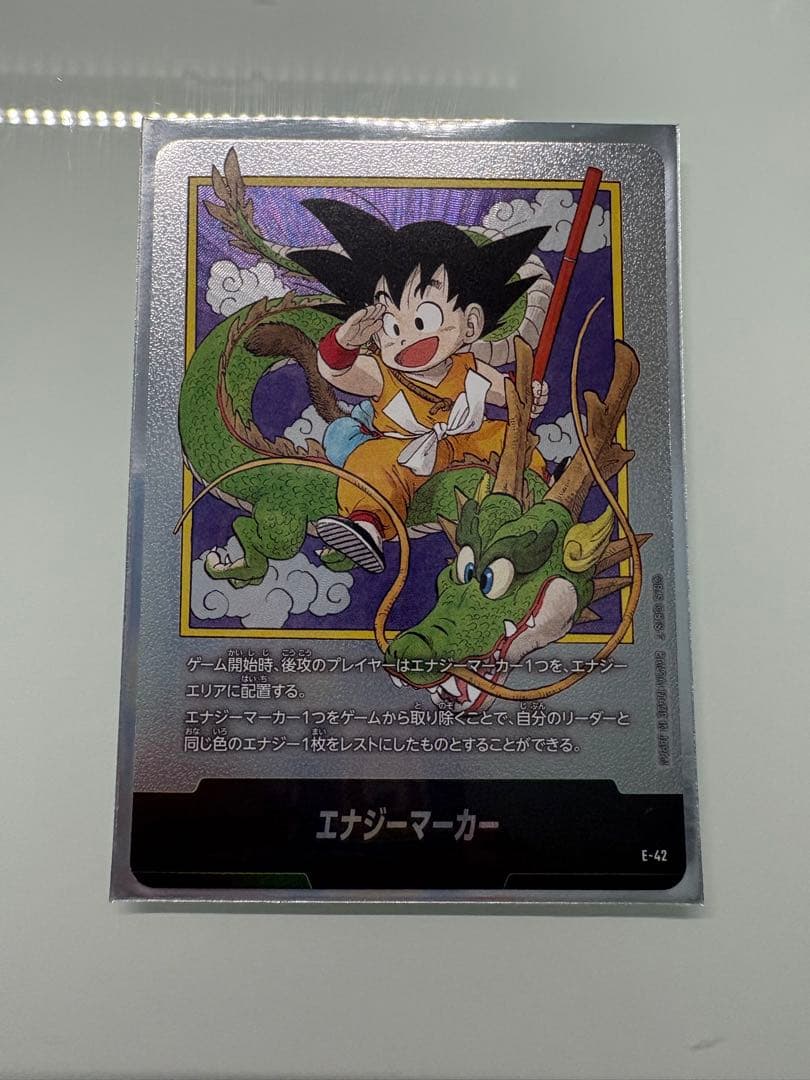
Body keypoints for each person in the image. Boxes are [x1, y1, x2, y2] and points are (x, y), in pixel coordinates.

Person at [289, 201, 550, 572]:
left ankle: (541, 493)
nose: (406, 338)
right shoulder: (382, 373)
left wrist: (529, 398)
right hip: (404, 450)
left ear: (471, 325)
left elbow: (510, 396)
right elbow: (335, 372)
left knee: (511, 439)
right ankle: (366, 524)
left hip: (468, 442)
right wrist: (345, 340)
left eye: (424, 319)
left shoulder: (469, 367)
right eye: (392, 327)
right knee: (371, 461)